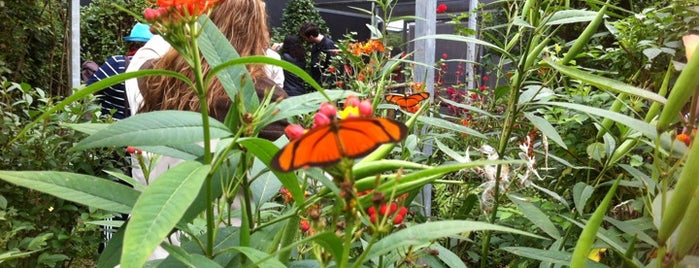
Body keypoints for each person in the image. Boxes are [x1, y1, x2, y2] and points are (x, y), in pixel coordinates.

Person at [86, 22, 153, 120]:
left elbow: (86, 92)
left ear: (130, 44)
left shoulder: (116, 63)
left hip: (112, 130)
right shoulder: (160, 67)